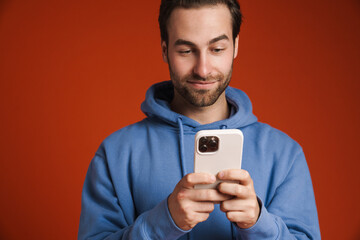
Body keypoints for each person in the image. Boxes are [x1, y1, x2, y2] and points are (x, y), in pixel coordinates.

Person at [78, 0, 321, 239]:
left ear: (235, 46)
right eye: (186, 51)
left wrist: (259, 225)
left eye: (217, 49)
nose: (203, 70)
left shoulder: (285, 154)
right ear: (165, 50)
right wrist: (161, 224)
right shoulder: (115, 154)